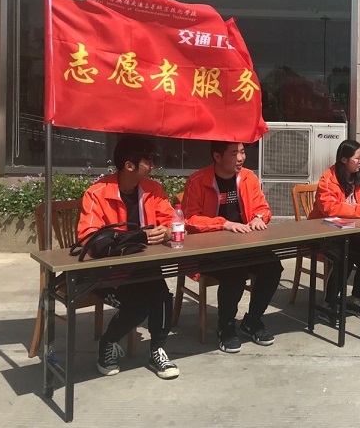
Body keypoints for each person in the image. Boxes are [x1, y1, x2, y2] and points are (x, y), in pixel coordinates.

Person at [77, 134, 179, 380]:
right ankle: (108, 342)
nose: (152, 166)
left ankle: (157, 350)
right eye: (148, 161)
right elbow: (88, 238)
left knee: (162, 296)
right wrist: (135, 238)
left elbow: (172, 220)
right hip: (106, 271)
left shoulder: (154, 189)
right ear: (129, 165)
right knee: (139, 304)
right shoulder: (97, 193)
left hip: (143, 266)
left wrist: (167, 230)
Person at [182, 141, 283, 351]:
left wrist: (258, 217)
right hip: (210, 250)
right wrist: (224, 224)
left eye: (243, 152)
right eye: (234, 153)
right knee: (235, 273)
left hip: (245, 245)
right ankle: (225, 326)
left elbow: (263, 207)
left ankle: (253, 320)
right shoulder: (197, 180)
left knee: (273, 266)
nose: (241, 158)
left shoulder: (248, 177)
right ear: (217, 157)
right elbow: (190, 219)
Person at [309, 139, 360, 324]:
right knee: (346, 257)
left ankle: (356, 299)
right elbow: (330, 208)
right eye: (357, 158)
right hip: (325, 233)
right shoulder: (328, 179)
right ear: (344, 159)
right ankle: (328, 304)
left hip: (352, 232)